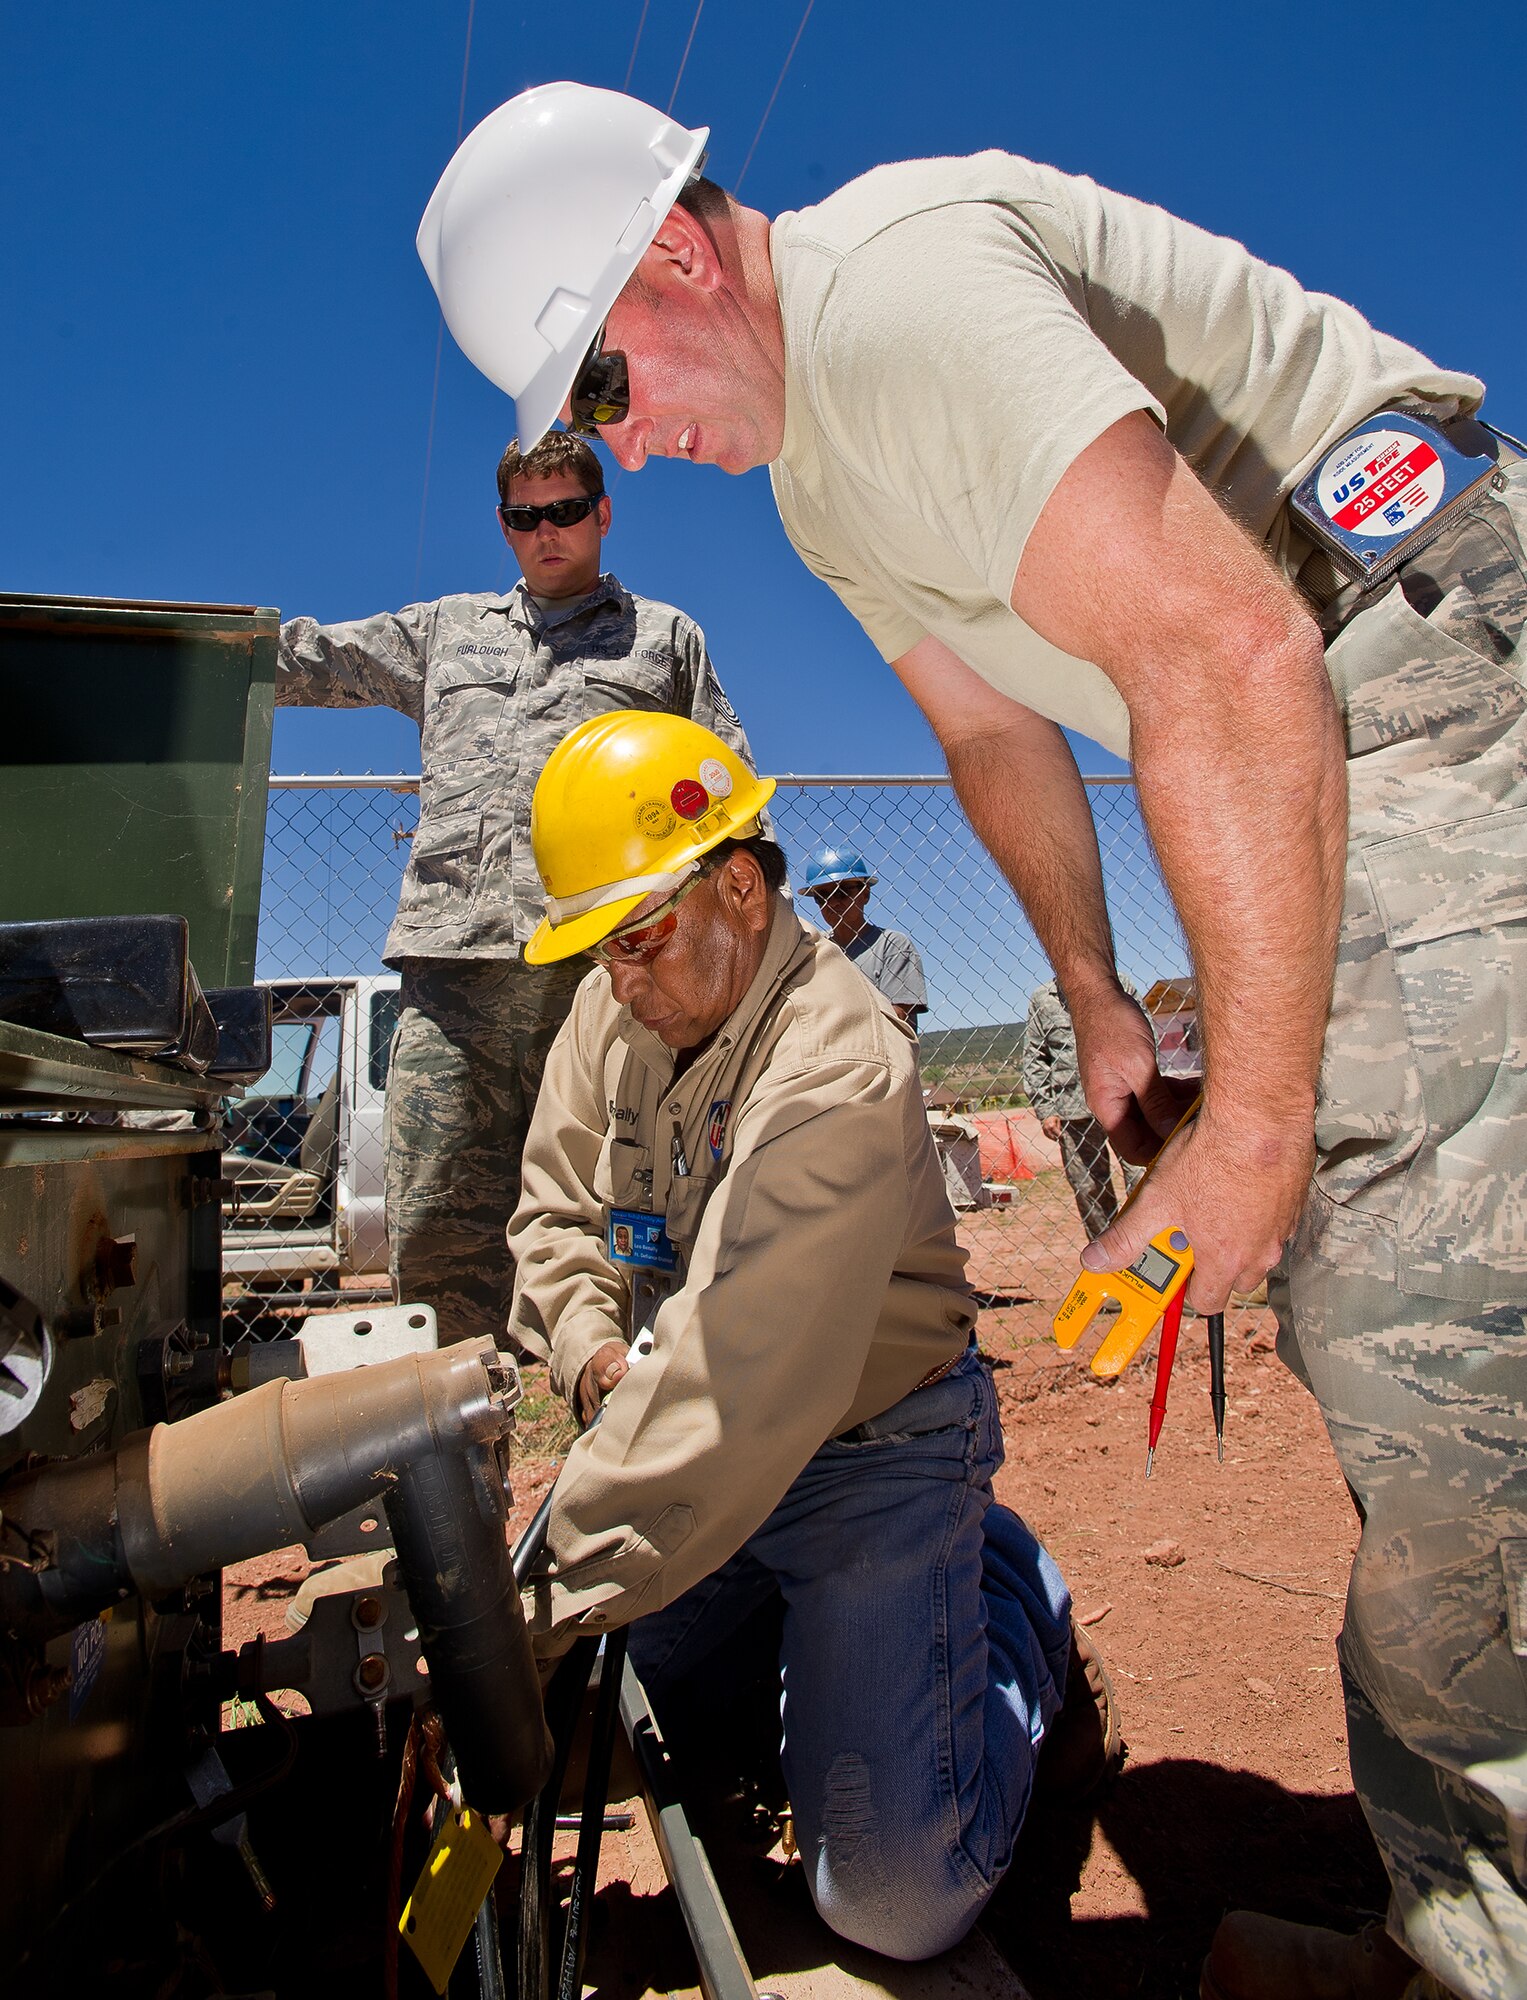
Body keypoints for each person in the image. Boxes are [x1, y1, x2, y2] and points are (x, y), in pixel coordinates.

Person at [419, 86, 1527, 1999]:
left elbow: (1226, 650)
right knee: (1399, 1336)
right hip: (1327, 699)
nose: (628, 452)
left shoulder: (896, 292)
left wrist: (1250, 1135)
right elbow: (999, 734)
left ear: (673, 252)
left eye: (603, 391)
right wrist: (1097, 1003)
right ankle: (1460, 1922)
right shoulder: (822, 478)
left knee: (1434, 1326)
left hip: (1417, 654)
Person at [506, 709, 1118, 1961]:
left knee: (889, 1893)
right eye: (599, 949)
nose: (620, 980)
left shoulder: (837, 1053)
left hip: (868, 1453)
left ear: (739, 885)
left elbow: (744, 1373)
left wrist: (533, 1601)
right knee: (583, 1732)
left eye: (638, 940)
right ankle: (827, 1663)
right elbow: (554, 1216)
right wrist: (592, 1354)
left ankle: (1010, 1592)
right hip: (696, 1424)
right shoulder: (609, 1006)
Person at [276, 427, 757, 1345]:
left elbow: (729, 787)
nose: (548, 531)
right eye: (524, 516)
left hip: (604, 976)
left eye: (567, 510)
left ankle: (624, 1420)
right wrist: (208, 652)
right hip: (453, 978)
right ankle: (456, 1439)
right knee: (435, 1221)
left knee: (622, 1205)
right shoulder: (445, 633)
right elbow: (318, 660)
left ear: (602, 514)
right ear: (503, 527)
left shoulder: (661, 640)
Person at [1022, 977, 1141, 1239]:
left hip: (1126, 1103)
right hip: (1073, 1111)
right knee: (1089, 1188)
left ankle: (1151, 1249)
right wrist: (1046, 1109)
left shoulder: (1119, 986)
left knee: (1143, 1178)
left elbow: (1145, 1034)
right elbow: (1035, 1057)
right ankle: (1109, 1254)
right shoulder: (1043, 1000)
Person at [798, 844, 928, 1025]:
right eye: (823, 896)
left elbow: (897, 1020)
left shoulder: (892, 946)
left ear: (865, 894)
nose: (833, 903)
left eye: (842, 892)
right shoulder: (813, 950)